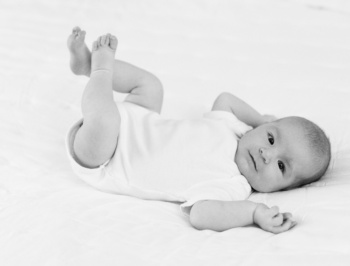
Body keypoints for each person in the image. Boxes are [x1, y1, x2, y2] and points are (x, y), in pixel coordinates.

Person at [66, 27, 331, 233]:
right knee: (151, 86)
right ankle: (87, 65)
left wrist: (252, 213)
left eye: (282, 166)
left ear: (282, 190)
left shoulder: (233, 186)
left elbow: (201, 215)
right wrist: (260, 119)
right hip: (137, 118)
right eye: (271, 138)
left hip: (105, 157)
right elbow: (225, 98)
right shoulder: (233, 127)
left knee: (105, 121)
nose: (266, 154)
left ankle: (102, 69)